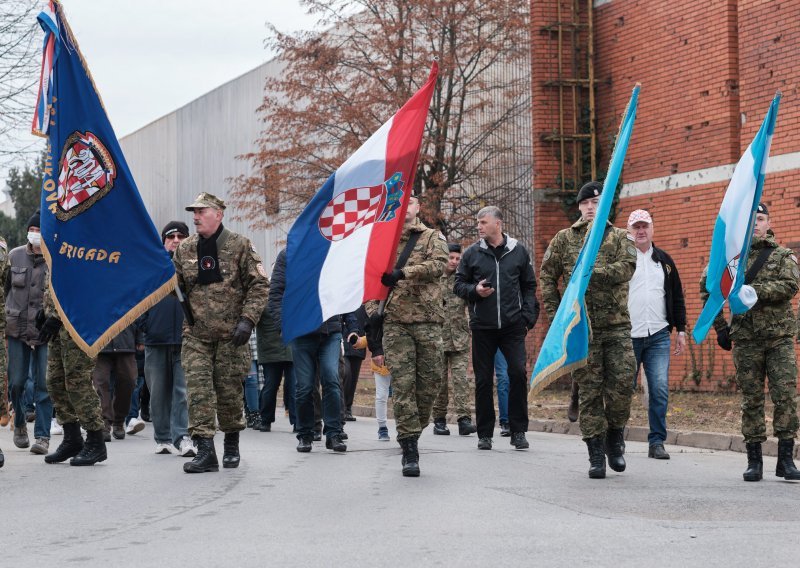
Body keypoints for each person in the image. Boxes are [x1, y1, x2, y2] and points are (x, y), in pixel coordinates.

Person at [540, 181, 636, 479]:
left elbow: (627, 268)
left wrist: (591, 273)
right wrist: (558, 317)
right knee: (590, 394)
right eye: (586, 203)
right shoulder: (564, 239)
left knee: (621, 388)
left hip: (617, 327)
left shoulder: (621, 237)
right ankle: (595, 453)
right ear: (579, 207)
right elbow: (547, 276)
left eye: (597, 202)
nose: (591, 207)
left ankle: (615, 438)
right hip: (582, 329)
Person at [703, 203, 800, 482]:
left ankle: (785, 460)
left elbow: (790, 286)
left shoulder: (783, 256)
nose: (755, 224)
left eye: (760, 219)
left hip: (778, 339)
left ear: (768, 222)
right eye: (750, 220)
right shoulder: (733, 259)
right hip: (746, 340)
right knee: (752, 399)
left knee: (784, 397)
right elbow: (708, 288)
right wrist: (721, 328)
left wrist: (753, 291)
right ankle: (754, 460)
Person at [174, 193, 269, 473]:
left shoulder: (240, 245)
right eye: (194, 212)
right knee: (198, 392)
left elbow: (259, 286)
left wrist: (248, 320)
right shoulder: (186, 249)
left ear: (219, 214)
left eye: (202, 211)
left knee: (228, 394)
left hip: (232, 336)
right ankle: (205, 451)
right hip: (196, 336)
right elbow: (175, 285)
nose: (196, 217)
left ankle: (231, 443)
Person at [369, 192, 448, 476]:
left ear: (418, 208)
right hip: (396, 324)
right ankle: (409, 446)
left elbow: (439, 266)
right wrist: (372, 313)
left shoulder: (431, 237)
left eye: (411, 202)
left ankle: (415, 427)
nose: (407, 207)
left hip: (428, 320)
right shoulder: (382, 241)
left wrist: (403, 273)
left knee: (429, 385)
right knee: (402, 386)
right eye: (401, 203)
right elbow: (369, 280)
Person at [454, 206, 538, 451]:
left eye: (482, 222)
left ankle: (518, 431)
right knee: (482, 380)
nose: (478, 226)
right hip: (483, 327)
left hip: (513, 327)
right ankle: (485, 434)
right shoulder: (472, 253)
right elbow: (458, 285)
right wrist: (475, 291)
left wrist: (527, 318)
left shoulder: (518, 251)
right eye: (477, 222)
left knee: (517, 374)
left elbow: (529, 286)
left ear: (498, 224)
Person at [269, 248, 356, 453]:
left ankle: (334, 433)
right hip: (301, 332)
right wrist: (282, 326)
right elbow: (276, 293)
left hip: (330, 330)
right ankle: (306, 434)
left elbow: (345, 293)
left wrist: (352, 326)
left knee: (332, 379)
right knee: (305, 387)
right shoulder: (288, 255)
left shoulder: (334, 252)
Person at [627, 209, 687, 460]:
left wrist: (681, 330)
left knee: (660, 389)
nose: (641, 231)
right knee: (622, 390)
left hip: (659, 334)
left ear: (652, 229)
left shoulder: (664, 261)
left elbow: (677, 297)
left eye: (645, 226)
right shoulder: (623, 259)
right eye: (636, 227)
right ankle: (615, 438)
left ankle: (657, 442)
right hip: (627, 336)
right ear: (629, 232)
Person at [138, 220, 194, 456]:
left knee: (182, 391)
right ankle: (162, 438)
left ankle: (182, 437)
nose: (176, 241)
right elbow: (138, 301)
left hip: (185, 339)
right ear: (163, 242)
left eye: (181, 237)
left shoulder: (193, 267)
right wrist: (146, 326)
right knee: (158, 392)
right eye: (171, 237)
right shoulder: (151, 267)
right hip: (156, 339)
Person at [39, 283, 107, 466]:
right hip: (57, 327)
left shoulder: (80, 253)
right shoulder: (54, 254)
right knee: (55, 382)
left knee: (78, 383)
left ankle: (96, 441)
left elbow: (83, 287)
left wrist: (58, 315)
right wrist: (45, 310)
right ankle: (72, 438)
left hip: (79, 324)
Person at [4, 211, 52, 455]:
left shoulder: (55, 258)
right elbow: (5, 290)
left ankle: (42, 436)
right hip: (16, 328)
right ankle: (20, 422)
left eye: (39, 231)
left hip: (45, 331)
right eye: (32, 230)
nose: (35, 234)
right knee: (16, 383)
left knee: (44, 384)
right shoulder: (14, 256)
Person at [432, 243, 476, 436]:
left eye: (458, 259)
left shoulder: (462, 280)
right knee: (439, 382)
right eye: (451, 258)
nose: (454, 262)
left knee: (461, 380)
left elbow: (471, 304)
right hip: (437, 339)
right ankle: (439, 420)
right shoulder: (433, 279)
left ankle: (464, 419)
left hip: (459, 337)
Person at [90, 323, 141, 441]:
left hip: (126, 341)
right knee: (100, 383)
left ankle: (119, 420)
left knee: (129, 382)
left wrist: (140, 337)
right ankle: (104, 424)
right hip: (99, 342)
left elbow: (139, 311)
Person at [255, 285, 296, 432]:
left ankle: (296, 422)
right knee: (271, 387)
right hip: (271, 352)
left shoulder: (290, 297)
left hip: (289, 350)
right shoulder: (262, 300)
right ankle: (266, 419)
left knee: (292, 387)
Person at [342, 306, 367, 422]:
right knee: (346, 375)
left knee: (353, 380)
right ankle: (340, 408)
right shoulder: (344, 299)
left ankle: (347, 409)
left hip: (358, 345)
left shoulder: (364, 304)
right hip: (342, 344)